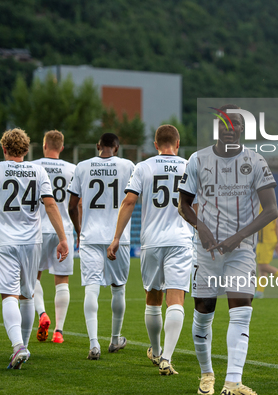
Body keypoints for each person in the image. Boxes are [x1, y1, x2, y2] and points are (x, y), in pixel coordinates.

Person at [178, 104, 278, 395]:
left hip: (242, 250)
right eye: (223, 124)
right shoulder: (198, 159)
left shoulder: (256, 161)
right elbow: (183, 203)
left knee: (241, 311)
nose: (228, 128)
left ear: (242, 129)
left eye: (234, 124)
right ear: (216, 128)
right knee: (203, 312)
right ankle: (206, 374)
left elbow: (271, 209)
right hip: (206, 251)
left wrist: (238, 237)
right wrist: (203, 229)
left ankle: (232, 382)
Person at [0, 129, 69, 369]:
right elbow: (50, 205)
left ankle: (19, 345)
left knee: (9, 295)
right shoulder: (39, 171)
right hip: (32, 242)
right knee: (27, 295)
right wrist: (63, 238)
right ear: (27, 150)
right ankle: (24, 346)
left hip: (5, 241)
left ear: (4, 149)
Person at [108, 124, 193, 375]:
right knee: (176, 299)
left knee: (153, 298)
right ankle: (166, 357)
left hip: (152, 241)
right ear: (177, 144)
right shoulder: (190, 166)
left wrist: (116, 238)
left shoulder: (143, 167)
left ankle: (155, 351)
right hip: (180, 240)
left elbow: (129, 201)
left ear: (155, 145)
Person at [68, 133, 135, 360]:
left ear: (98, 146)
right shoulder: (128, 165)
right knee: (118, 287)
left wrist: (79, 231)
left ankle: (94, 343)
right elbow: (133, 199)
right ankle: (115, 338)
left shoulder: (82, 167)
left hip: (90, 235)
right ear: (116, 147)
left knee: (91, 287)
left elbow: (72, 205)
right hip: (119, 236)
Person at [32, 130, 77, 344]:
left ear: (44, 145)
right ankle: (59, 332)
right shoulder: (72, 169)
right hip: (64, 228)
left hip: (37, 228)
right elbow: (76, 204)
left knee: (33, 276)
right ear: (62, 147)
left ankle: (42, 314)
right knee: (62, 281)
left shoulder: (32, 167)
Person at [254, 210, 278, 299]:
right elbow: (277, 226)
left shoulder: (259, 206)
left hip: (265, 241)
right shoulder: (271, 206)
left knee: (263, 266)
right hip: (270, 239)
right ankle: (259, 292)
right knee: (262, 268)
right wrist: (277, 242)